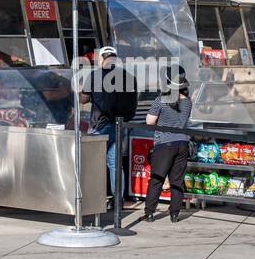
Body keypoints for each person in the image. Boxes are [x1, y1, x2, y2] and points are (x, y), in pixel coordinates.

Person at [79, 46, 137, 197]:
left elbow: (83, 99)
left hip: (102, 125)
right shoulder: (129, 76)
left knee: (92, 162)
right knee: (115, 164)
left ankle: (93, 197)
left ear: (102, 59)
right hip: (122, 124)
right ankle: (118, 200)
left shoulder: (94, 76)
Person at [143, 67, 193, 223]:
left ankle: (150, 212)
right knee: (177, 180)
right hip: (183, 143)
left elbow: (149, 121)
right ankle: (174, 214)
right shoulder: (188, 102)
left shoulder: (161, 100)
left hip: (164, 143)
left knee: (157, 179)